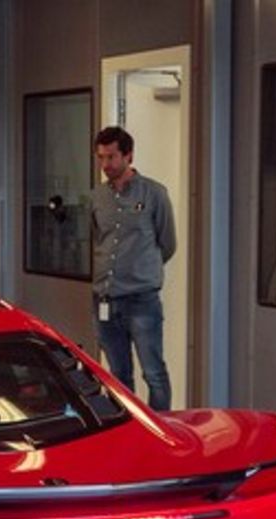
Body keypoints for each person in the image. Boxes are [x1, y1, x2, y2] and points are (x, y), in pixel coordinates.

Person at [89, 125, 177, 411]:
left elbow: (167, 243)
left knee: (153, 373)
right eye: (101, 157)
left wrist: (142, 270)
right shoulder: (97, 197)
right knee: (118, 375)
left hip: (141, 299)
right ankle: (128, 427)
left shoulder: (154, 193)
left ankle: (160, 427)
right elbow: (98, 240)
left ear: (128, 156)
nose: (105, 164)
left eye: (111, 157)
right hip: (105, 297)